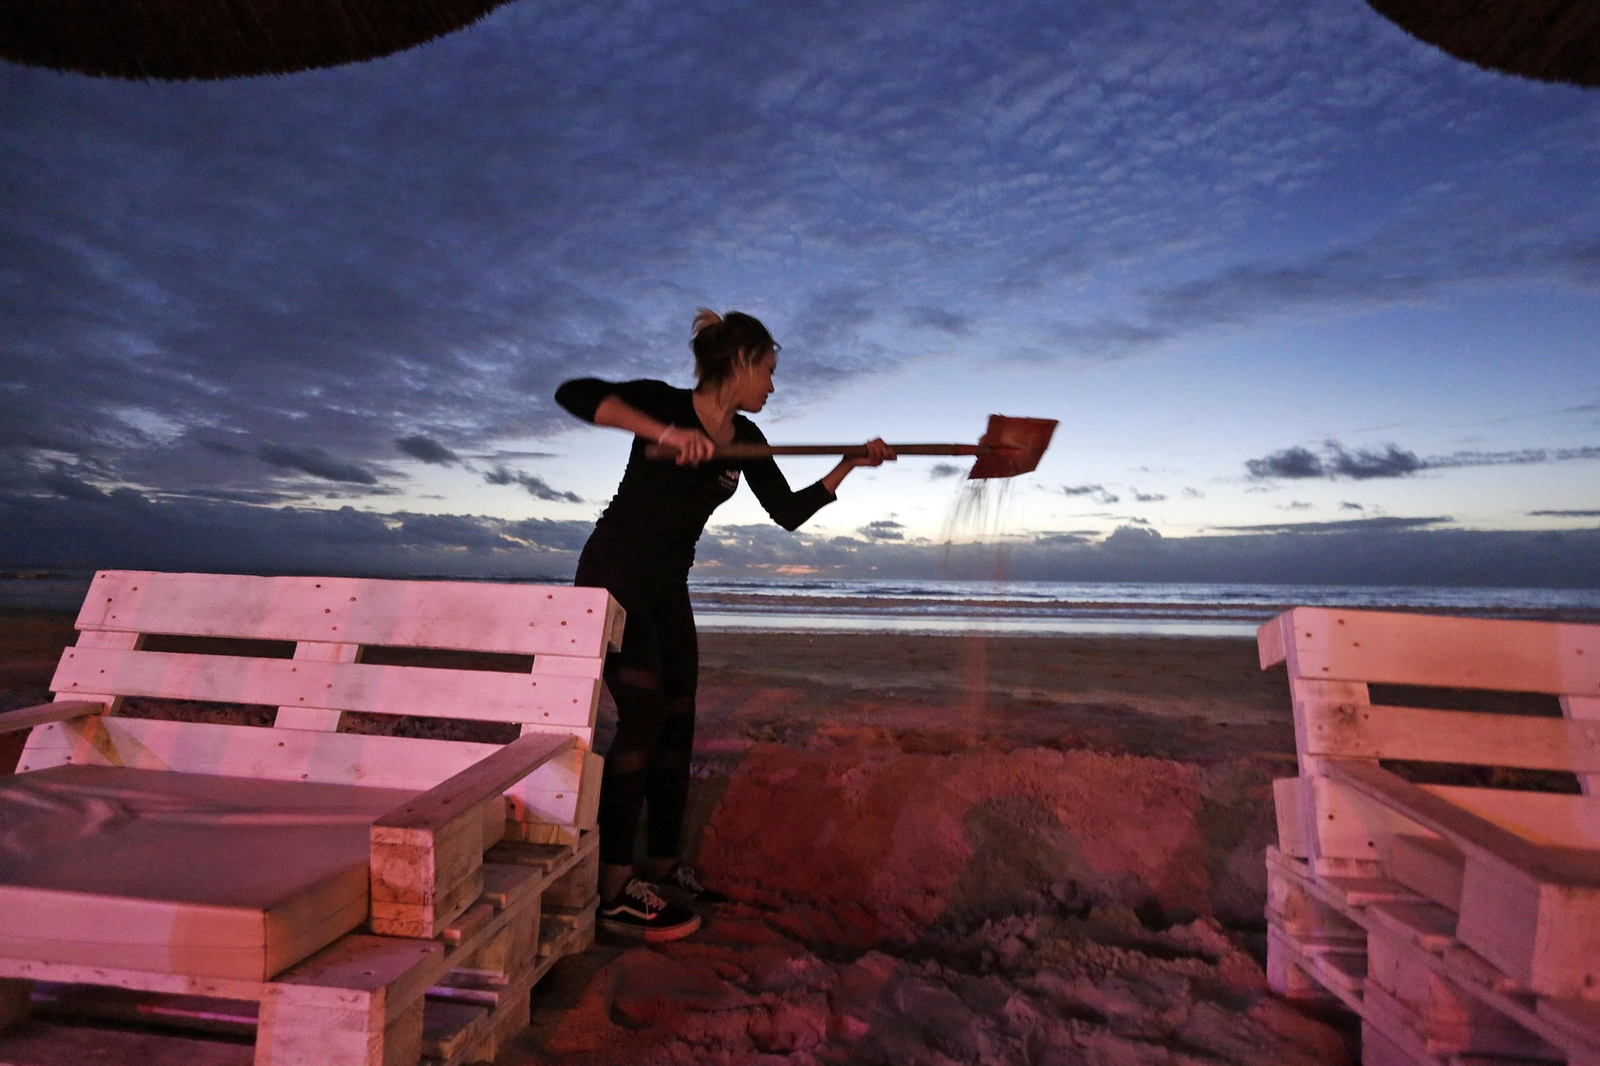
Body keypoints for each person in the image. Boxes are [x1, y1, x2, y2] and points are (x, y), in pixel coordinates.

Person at [554, 309, 895, 940]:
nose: (773, 385)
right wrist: (663, 432)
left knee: (680, 717)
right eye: (769, 370)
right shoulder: (664, 403)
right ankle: (611, 886)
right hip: (615, 577)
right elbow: (573, 394)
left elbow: (789, 513)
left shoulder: (746, 441)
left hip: (666, 588)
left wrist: (849, 464)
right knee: (643, 717)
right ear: (740, 360)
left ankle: (661, 866)